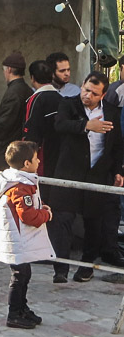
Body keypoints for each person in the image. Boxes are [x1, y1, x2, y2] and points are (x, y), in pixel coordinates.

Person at [46, 72, 124, 283]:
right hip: (69, 173)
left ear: (103, 95)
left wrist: (118, 171)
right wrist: (86, 126)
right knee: (62, 220)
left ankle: (87, 267)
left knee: (94, 223)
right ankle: (60, 269)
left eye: (94, 93)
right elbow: (60, 125)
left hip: (97, 173)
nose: (88, 95)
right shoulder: (68, 104)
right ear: (82, 86)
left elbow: (117, 145)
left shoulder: (111, 112)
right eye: (86, 90)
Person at [0, 140, 55, 329]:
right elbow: (27, 216)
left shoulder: (18, 180)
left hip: (19, 238)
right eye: (36, 159)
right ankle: (14, 313)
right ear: (26, 164)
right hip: (17, 240)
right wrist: (46, 214)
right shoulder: (20, 186)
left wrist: (39, 208)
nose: (39, 161)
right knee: (19, 276)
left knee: (24, 274)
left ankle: (22, 308)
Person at [0, 52, 33, 169]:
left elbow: (5, 124)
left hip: (8, 148)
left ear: (9, 69)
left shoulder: (13, 92)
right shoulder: (27, 89)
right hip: (21, 146)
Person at [22, 60, 62, 176]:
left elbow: (30, 130)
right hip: (58, 152)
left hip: (40, 155)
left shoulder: (34, 100)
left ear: (32, 78)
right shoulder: (61, 98)